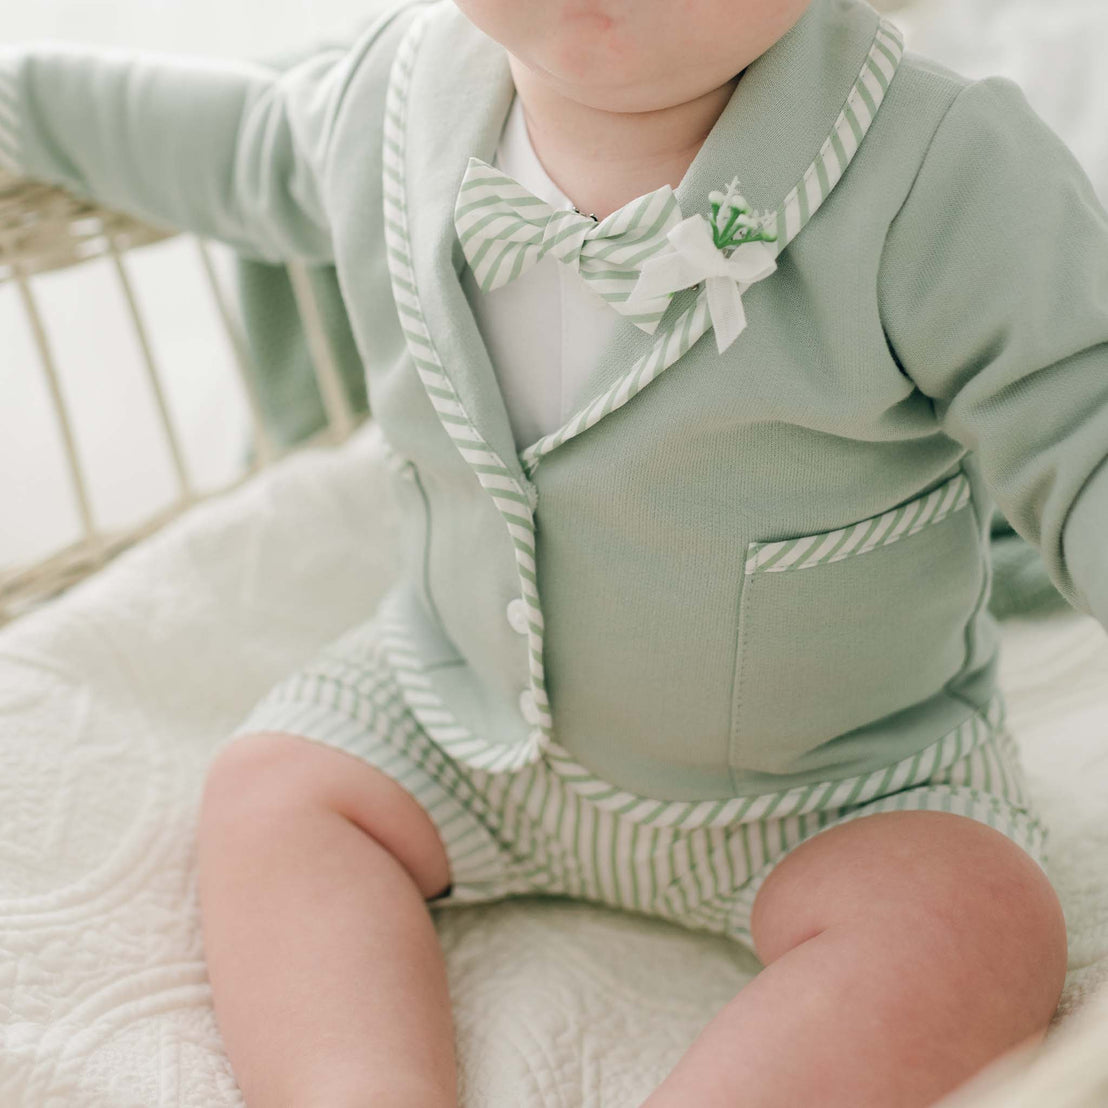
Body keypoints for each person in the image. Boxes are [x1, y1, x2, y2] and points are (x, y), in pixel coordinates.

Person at [4, 0, 1104, 1103]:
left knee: (974, 927)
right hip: (455, 711)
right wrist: (22, 100)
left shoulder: (943, 169)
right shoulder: (396, 101)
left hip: (842, 777)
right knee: (272, 790)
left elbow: (1081, 424)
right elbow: (217, 144)